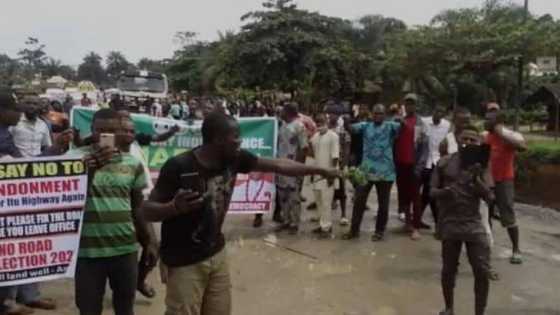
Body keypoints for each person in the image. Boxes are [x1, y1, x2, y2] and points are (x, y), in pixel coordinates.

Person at [139, 112, 337, 315]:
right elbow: (146, 211)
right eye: (235, 136)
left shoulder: (235, 159)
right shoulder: (179, 166)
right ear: (217, 139)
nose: (240, 141)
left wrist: (320, 171)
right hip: (183, 262)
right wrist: (173, 208)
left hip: (217, 253)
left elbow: (278, 164)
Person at [70, 108, 157, 315]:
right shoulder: (73, 160)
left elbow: (137, 208)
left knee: (125, 307)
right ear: (91, 130)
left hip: (125, 249)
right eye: (100, 130)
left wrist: (150, 241)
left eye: (111, 130)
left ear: (120, 132)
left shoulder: (133, 163)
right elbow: (64, 201)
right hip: (87, 252)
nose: (105, 136)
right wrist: (89, 170)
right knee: (89, 308)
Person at [431, 125, 494, 315]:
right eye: (464, 139)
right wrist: (445, 192)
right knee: (448, 269)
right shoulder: (443, 163)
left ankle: (479, 312)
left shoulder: (482, 166)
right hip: (450, 222)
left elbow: (490, 198)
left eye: (472, 140)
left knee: (482, 270)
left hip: (473, 223)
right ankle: (449, 307)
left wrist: (477, 181)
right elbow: (431, 192)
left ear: (478, 143)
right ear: (457, 140)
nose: (467, 142)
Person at [343, 104, 401, 241]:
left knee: (383, 204)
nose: (377, 116)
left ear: (385, 115)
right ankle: (354, 230)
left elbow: (402, 127)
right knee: (359, 201)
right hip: (366, 170)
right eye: (375, 113)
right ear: (372, 114)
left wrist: (399, 117)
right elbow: (351, 129)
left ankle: (379, 231)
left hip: (385, 172)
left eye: (380, 114)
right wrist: (346, 121)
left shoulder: (390, 126)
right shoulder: (365, 126)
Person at [484, 103, 527, 264]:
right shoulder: (484, 136)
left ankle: (516, 249)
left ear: (499, 119)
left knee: (508, 214)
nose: (488, 119)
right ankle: (487, 246)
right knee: (485, 214)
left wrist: (500, 133)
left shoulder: (511, 134)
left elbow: (522, 147)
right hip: (488, 180)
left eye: (492, 116)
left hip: (504, 180)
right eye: (487, 115)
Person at [394, 93, 429, 240]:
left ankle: (416, 227)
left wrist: (419, 166)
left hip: (414, 165)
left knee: (416, 197)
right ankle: (407, 223)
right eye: (407, 103)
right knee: (404, 195)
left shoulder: (420, 123)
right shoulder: (399, 122)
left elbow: (424, 147)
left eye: (412, 104)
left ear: (416, 105)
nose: (410, 106)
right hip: (400, 164)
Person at [275, 103, 309, 234]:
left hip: (292, 167)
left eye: (282, 110)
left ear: (288, 112)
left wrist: (298, 167)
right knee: (282, 195)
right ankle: (286, 221)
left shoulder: (299, 126)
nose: (280, 112)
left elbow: (304, 148)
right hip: (281, 166)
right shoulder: (283, 125)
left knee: (293, 196)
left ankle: (295, 224)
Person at [309, 114, 340, 238]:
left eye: (321, 121)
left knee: (326, 202)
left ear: (326, 121)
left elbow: (335, 157)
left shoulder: (333, 136)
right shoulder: (315, 137)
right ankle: (323, 224)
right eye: (317, 121)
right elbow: (312, 156)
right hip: (317, 174)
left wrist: (332, 175)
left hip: (328, 175)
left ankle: (326, 228)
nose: (319, 123)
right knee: (319, 201)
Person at [420, 106, 451, 229]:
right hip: (426, 162)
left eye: (442, 112)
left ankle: (421, 220)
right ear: (433, 112)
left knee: (430, 193)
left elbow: (449, 143)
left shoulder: (447, 125)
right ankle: (436, 223)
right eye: (437, 111)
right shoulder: (424, 122)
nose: (439, 114)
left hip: (439, 162)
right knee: (427, 193)